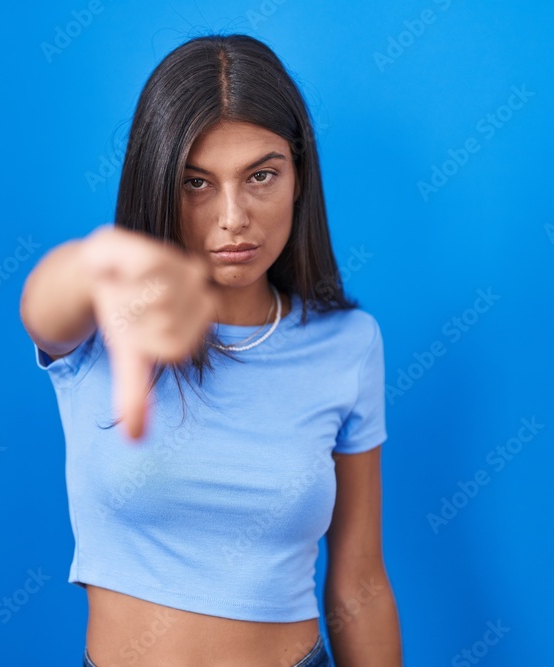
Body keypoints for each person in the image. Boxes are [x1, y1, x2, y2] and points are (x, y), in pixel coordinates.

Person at [20, 33, 401, 667]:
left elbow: (359, 580)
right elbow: (42, 308)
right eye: (196, 183)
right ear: (157, 184)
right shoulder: (100, 322)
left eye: (260, 176)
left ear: (298, 177)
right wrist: (100, 261)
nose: (233, 216)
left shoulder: (350, 344)